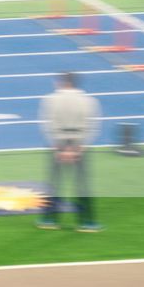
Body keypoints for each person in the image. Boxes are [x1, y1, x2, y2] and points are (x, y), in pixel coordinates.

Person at [38, 72, 102, 231]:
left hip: (58, 142)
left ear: (62, 82)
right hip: (79, 143)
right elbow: (92, 126)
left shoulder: (50, 100)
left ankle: (49, 219)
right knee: (82, 185)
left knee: (54, 184)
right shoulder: (90, 101)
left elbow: (48, 124)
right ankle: (87, 221)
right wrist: (79, 147)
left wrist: (58, 147)